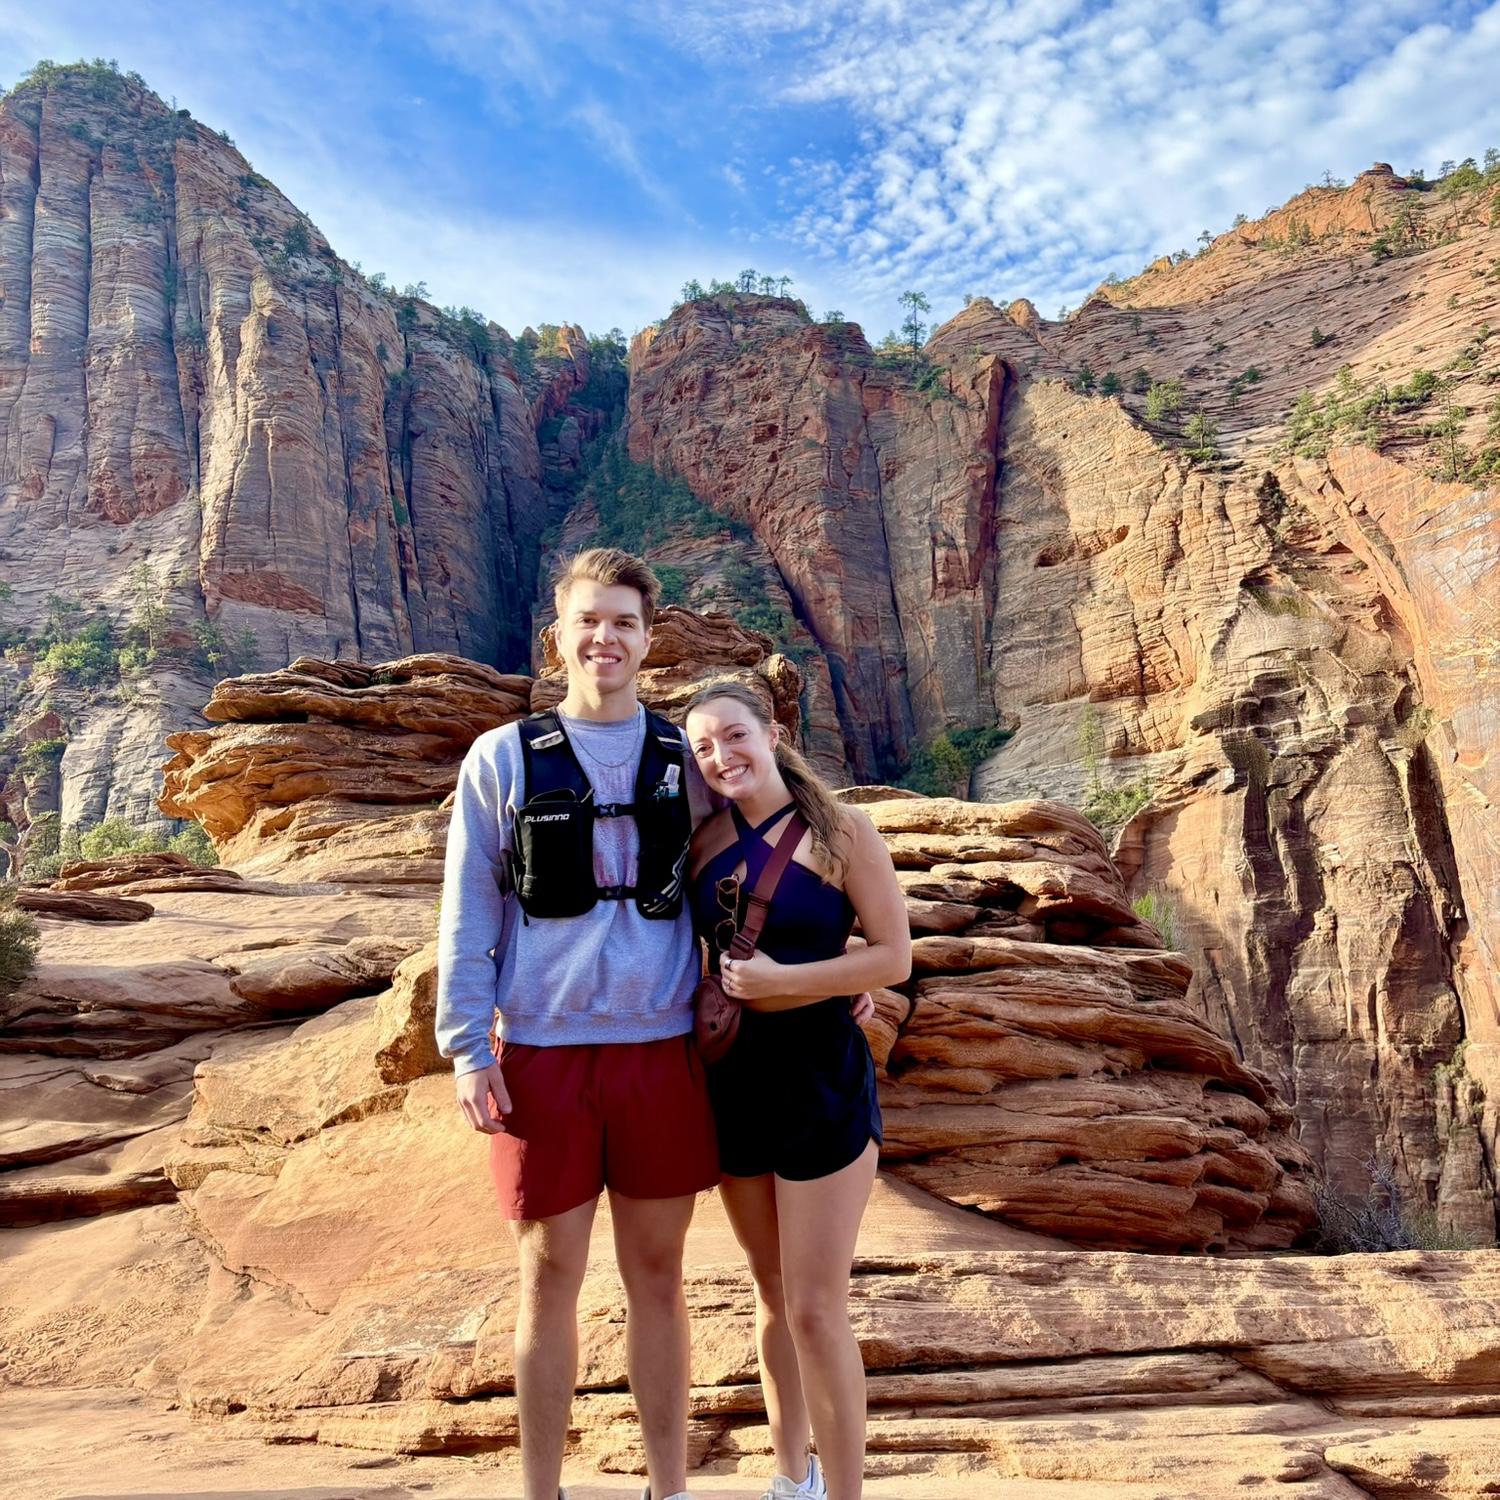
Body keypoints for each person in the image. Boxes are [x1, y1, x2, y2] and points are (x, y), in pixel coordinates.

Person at [436, 547, 719, 1500]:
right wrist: (467, 1047)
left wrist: (852, 965)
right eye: (589, 621)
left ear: (649, 639)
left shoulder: (687, 758)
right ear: (557, 635)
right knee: (549, 1276)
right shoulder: (503, 759)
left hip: (659, 1050)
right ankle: (541, 1493)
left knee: (659, 1278)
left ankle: (668, 1489)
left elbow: (771, 855)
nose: (606, 638)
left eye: (625, 623)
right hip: (544, 1057)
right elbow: (470, 908)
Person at [683, 681, 912, 1500]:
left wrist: (796, 979)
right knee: (771, 1295)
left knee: (816, 1308)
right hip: (736, 1082)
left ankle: (844, 1494)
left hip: (821, 1079)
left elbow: (892, 960)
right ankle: (793, 1482)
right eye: (704, 748)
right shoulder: (703, 841)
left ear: (773, 732)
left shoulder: (843, 832)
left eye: (734, 737)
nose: (722, 758)